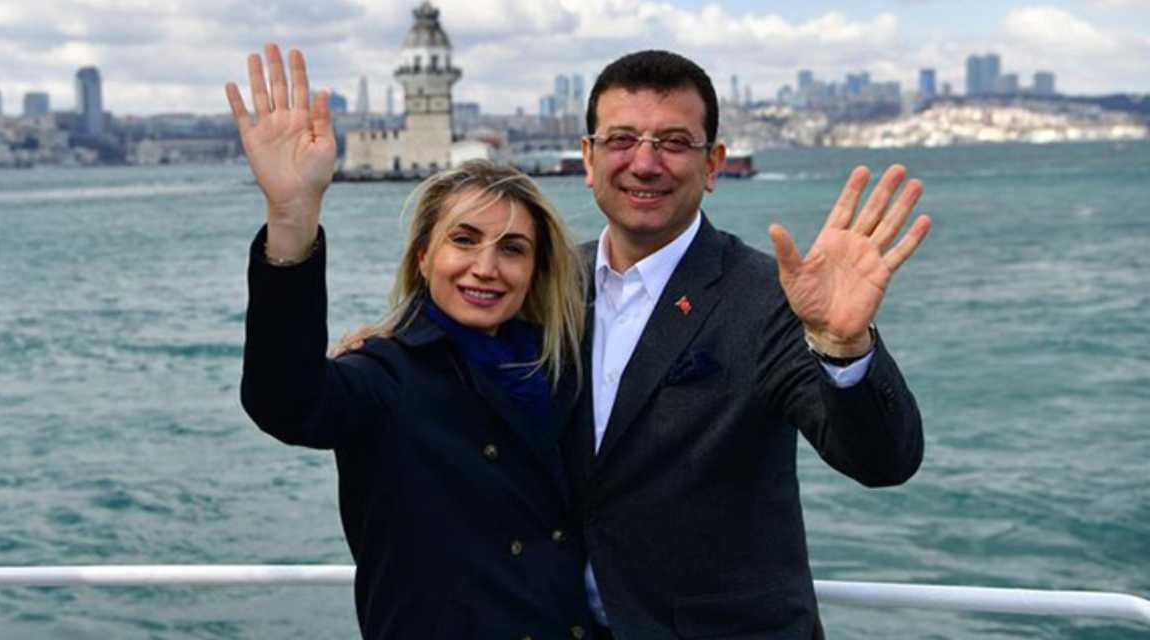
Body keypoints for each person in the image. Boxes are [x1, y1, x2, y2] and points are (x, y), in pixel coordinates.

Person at [228, 44, 593, 638]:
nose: (485, 268)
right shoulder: (384, 375)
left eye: (512, 249)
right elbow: (284, 401)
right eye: (464, 240)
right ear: (424, 257)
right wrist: (291, 219)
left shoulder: (564, 366)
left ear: (535, 270)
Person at [566, 50, 932, 638]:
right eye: (622, 139)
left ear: (712, 164)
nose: (644, 163)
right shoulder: (548, 285)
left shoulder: (768, 298)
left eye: (674, 142)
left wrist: (843, 343)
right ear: (589, 158)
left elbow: (882, 461)